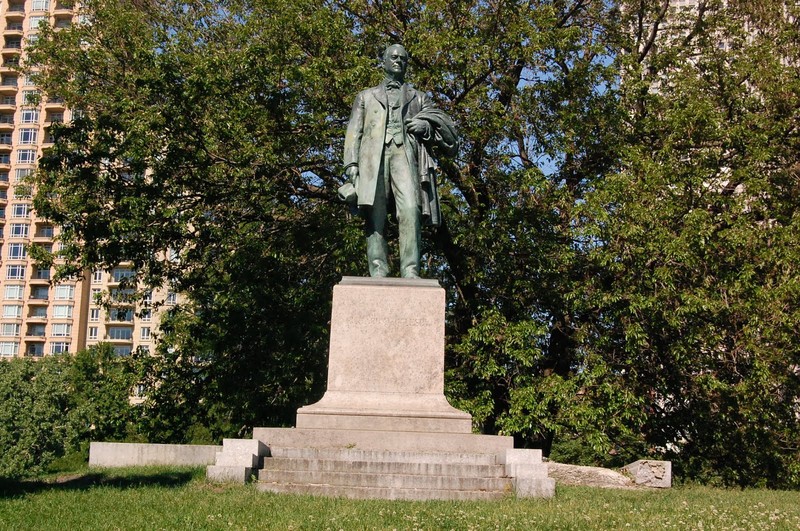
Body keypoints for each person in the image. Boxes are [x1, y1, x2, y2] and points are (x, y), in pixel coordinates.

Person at [340, 44, 458, 278]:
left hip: (405, 155)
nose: (398, 61)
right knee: (375, 213)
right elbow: (354, 132)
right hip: (373, 159)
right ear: (383, 61)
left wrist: (424, 126)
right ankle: (378, 270)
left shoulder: (418, 97)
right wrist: (351, 165)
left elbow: (439, 126)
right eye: (393, 57)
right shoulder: (365, 96)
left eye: (402, 59)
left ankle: (411, 270)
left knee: (411, 208)